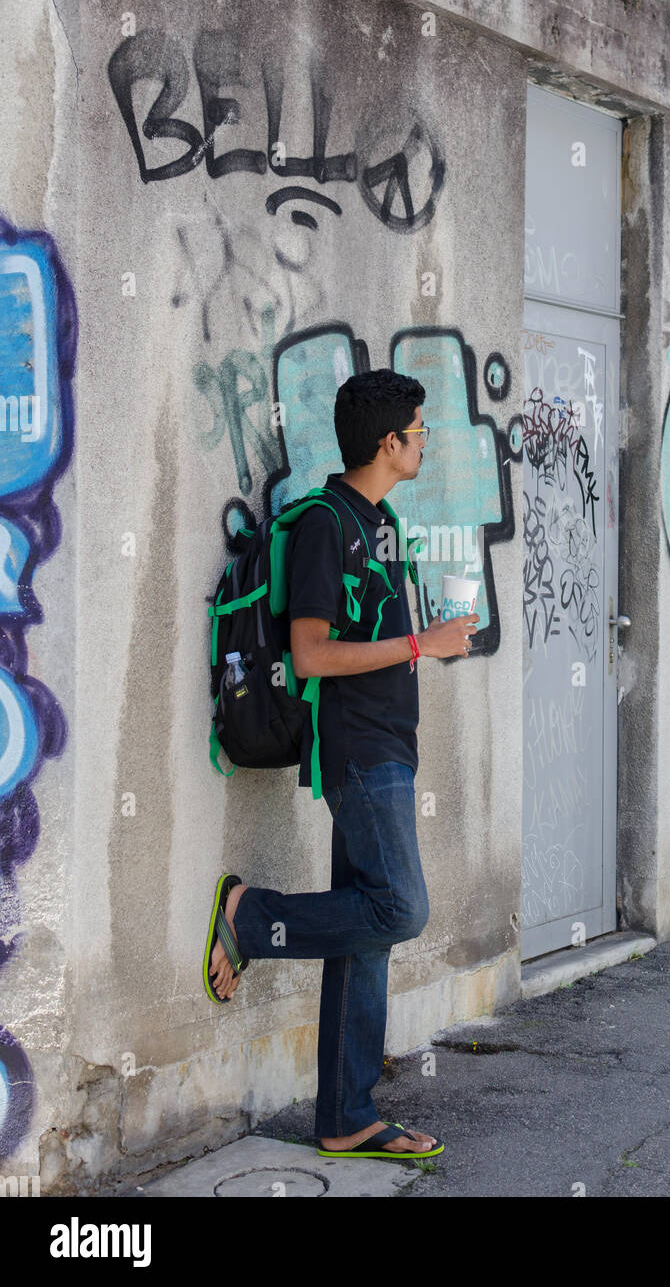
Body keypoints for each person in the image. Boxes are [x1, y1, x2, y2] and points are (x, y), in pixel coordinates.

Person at [206, 369, 479, 1160]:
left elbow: (373, 643)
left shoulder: (380, 522)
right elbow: (310, 652)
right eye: (419, 432)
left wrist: (430, 641)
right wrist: (422, 645)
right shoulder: (330, 524)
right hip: (358, 753)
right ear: (387, 442)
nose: (425, 441)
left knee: (370, 929)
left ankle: (345, 1114)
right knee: (401, 908)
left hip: (388, 745)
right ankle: (248, 917)